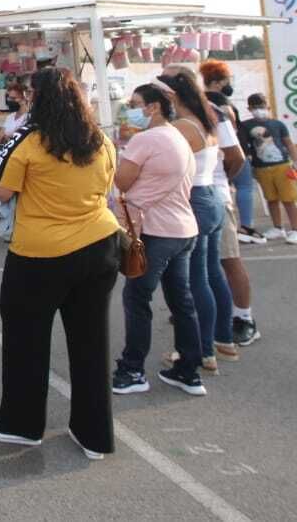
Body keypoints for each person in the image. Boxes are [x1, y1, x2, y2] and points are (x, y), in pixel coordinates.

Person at [0, 67, 121, 459]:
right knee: (92, 343)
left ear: (37, 99)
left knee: (26, 342)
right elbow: (108, 185)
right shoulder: (100, 140)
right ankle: (94, 435)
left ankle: (21, 425)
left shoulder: (28, 140)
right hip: (99, 247)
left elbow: (1, 191)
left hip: (40, 255)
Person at [111, 82, 205, 397]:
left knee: (137, 298)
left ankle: (133, 368)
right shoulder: (178, 136)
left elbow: (122, 181)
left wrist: (118, 154)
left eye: (135, 103)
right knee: (182, 300)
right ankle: (188, 369)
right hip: (183, 228)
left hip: (154, 230)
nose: (130, 109)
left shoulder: (146, 140)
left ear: (152, 107)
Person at [157, 68, 238, 372]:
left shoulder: (181, 126)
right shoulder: (208, 119)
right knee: (210, 274)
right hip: (212, 197)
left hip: (194, 200)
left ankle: (201, 351)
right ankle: (222, 339)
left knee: (193, 281)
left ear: (170, 95)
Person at [199, 60, 261, 244]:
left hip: (213, 154)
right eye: (227, 80)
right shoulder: (221, 103)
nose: (229, 84)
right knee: (244, 186)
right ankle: (246, 226)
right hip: (230, 151)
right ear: (217, 82)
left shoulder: (200, 100)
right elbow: (231, 130)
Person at [239, 93, 297, 244]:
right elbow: (244, 147)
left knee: (289, 199)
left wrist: (296, 162)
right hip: (261, 168)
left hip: (282, 166)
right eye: (255, 107)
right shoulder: (245, 126)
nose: (259, 110)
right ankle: (277, 227)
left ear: (268, 107)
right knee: (271, 199)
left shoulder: (278, 124)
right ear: (249, 108)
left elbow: (288, 143)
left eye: (261, 106)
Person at [0, 82, 30, 147]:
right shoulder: (10, 116)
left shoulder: (28, 117)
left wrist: (6, 137)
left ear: (23, 99)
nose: (10, 100)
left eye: (13, 98)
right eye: (9, 98)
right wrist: (8, 137)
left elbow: (19, 138)